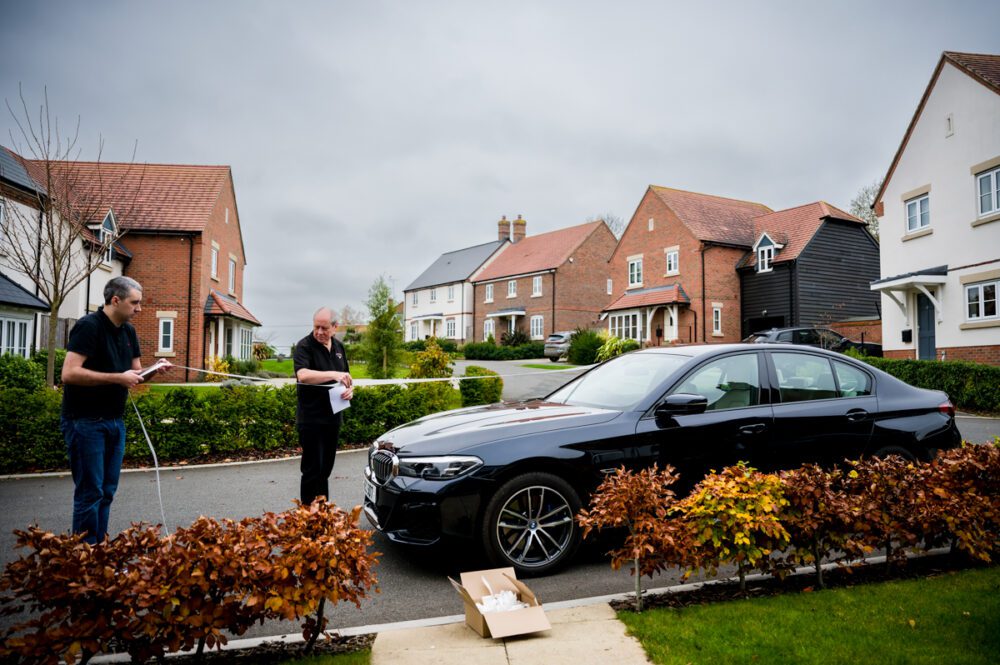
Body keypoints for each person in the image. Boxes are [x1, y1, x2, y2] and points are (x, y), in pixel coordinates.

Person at [61, 276, 170, 544]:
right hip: (85, 422)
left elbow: (136, 375)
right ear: (115, 300)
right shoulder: (89, 327)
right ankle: (85, 559)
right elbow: (69, 373)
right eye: (135, 303)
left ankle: (99, 552)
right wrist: (117, 378)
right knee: (90, 493)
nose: (139, 309)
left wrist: (155, 369)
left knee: (107, 491)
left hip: (114, 422)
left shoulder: (129, 331)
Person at [294, 307, 353, 505]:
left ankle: (322, 514)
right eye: (316, 327)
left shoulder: (339, 348)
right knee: (312, 468)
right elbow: (303, 375)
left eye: (324, 328)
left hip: (333, 418)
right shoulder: (304, 346)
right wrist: (333, 374)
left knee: (326, 469)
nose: (319, 332)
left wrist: (349, 390)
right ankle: (307, 518)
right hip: (311, 418)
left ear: (335, 327)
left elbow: (346, 377)